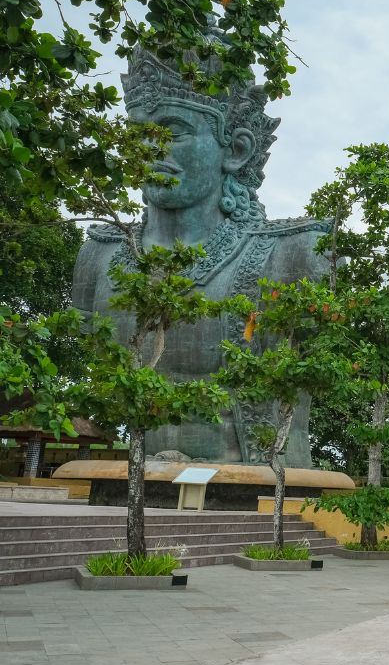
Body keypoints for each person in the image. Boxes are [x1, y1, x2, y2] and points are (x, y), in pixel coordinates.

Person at [72, 30, 328, 467]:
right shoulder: (99, 254)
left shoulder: (294, 254)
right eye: (139, 133)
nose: (149, 149)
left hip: (258, 501)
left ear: (237, 149)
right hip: (124, 482)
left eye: (173, 131)